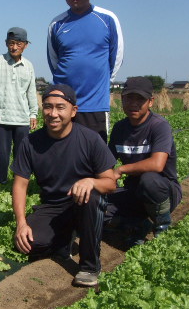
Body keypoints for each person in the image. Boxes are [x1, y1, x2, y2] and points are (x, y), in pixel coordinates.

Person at [12, 84, 117, 287]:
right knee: (29, 244)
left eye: (60, 107)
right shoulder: (30, 142)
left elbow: (111, 183)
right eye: (48, 107)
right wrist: (21, 223)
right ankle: (66, 236)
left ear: (73, 111)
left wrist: (91, 181)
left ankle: (89, 266)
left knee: (92, 196)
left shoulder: (90, 139)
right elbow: (20, 185)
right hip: (52, 207)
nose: (53, 114)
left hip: (83, 204)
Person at [47, 0, 124, 141]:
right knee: (61, 156)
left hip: (95, 105)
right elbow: (54, 63)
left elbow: (116, 59)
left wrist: (100, 84)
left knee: (96, 160)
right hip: (63, 105)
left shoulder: (107, 19)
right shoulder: (57, 24)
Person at [106, 76, 182, 244]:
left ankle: (162, 226)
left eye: (140, 99)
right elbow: (107, 163)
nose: (134, 103)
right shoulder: (120, 128)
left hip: (163, 191)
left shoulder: (159, 125)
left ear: (150, 102)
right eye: (129, 98)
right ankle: (138, 224)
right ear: (122, 99)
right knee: (97, 204)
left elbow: (157, 164)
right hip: (134, 192)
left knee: (149, 180)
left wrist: (121, 170)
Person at [0, 27, 38, 184]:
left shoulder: (28, 66)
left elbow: (31, 92)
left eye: (18, 44)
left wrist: (33, 114)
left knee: (21, 155)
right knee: (1, 155)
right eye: (11, 43)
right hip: (1, 118)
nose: (14, 47)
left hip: (22, 118)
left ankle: (19, 184)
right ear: (6, 43)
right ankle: (0, 183)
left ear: (25, 45)